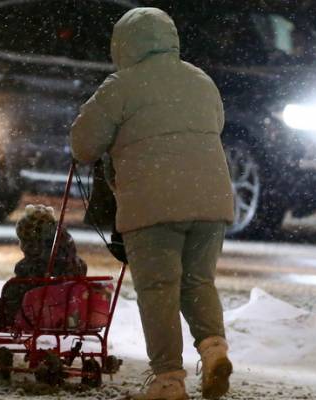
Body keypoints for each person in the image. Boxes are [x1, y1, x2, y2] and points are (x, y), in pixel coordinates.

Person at [70, 7, 234, 400]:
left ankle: (168, 380)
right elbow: (216, 124)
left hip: (153, 204)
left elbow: (84, 144)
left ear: (124, 44)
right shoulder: (201, 80)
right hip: (211, 200)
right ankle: (214, 351)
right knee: (198, 281)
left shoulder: (121, 85)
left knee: (158, 288)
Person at [0, 204, 87, 331]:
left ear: (32, 244)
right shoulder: (75, 264)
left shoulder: (35, 267)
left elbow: (16, 295)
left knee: (6, 306)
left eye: (24, 241)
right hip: (63, 309)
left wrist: (16, 285)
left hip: (36, 312)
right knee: (8, 303)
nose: (23, 247)